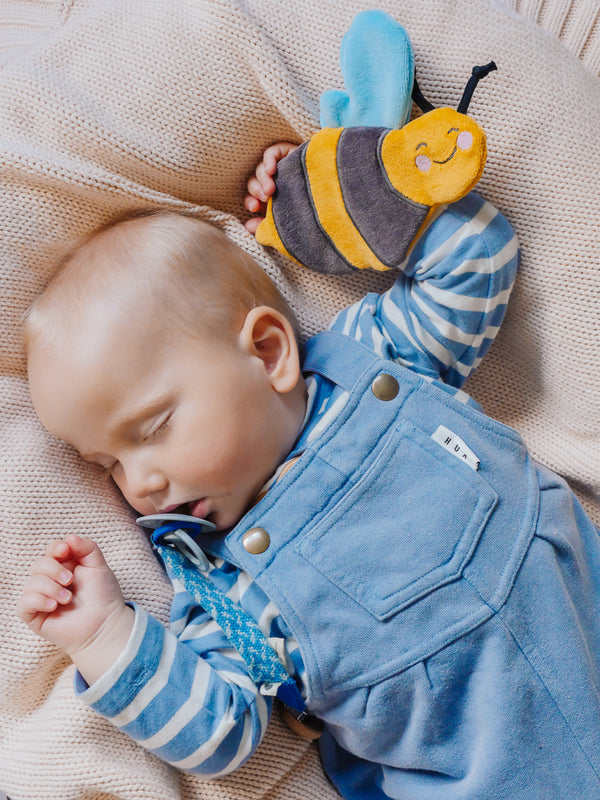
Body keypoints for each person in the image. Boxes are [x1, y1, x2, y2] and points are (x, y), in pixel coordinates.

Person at [17, 143, 600, 800]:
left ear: (268, 354)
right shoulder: (228, 588)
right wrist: (104, 635)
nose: (139, 484)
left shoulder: (378, 355)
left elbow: (477, 258)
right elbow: (220, 732)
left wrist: (332, 198)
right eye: (108, 464)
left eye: (152, 430)